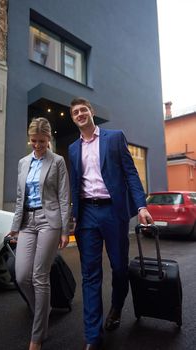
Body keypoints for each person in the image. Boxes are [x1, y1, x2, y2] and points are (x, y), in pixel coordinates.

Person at [68, 97, 153, 350]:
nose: (80, 114)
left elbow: (130, 173)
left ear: (91, 112)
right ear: (73, 118)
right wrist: (71, 217)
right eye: (75, 112)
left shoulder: (114, 138)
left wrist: (141, 206)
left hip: (112, 212)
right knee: (89, 275)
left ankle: (116, 307)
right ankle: (92, 336)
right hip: (86, 214)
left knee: (118, 268)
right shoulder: (73, 148)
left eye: (84, 109)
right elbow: (74, 184)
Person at [8, 117, 71, 350]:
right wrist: (15, 227)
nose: (37, 145)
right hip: (27, 221)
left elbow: (64, 197)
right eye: (33, 141)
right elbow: (19, 198)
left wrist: (66, 229)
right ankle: (42, 315)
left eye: (42, 141)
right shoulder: (23, 162)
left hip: (49, 221)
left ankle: (37, 336)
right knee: (22, 275)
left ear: (49, 139)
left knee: (39, 276)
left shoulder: (58, 162)